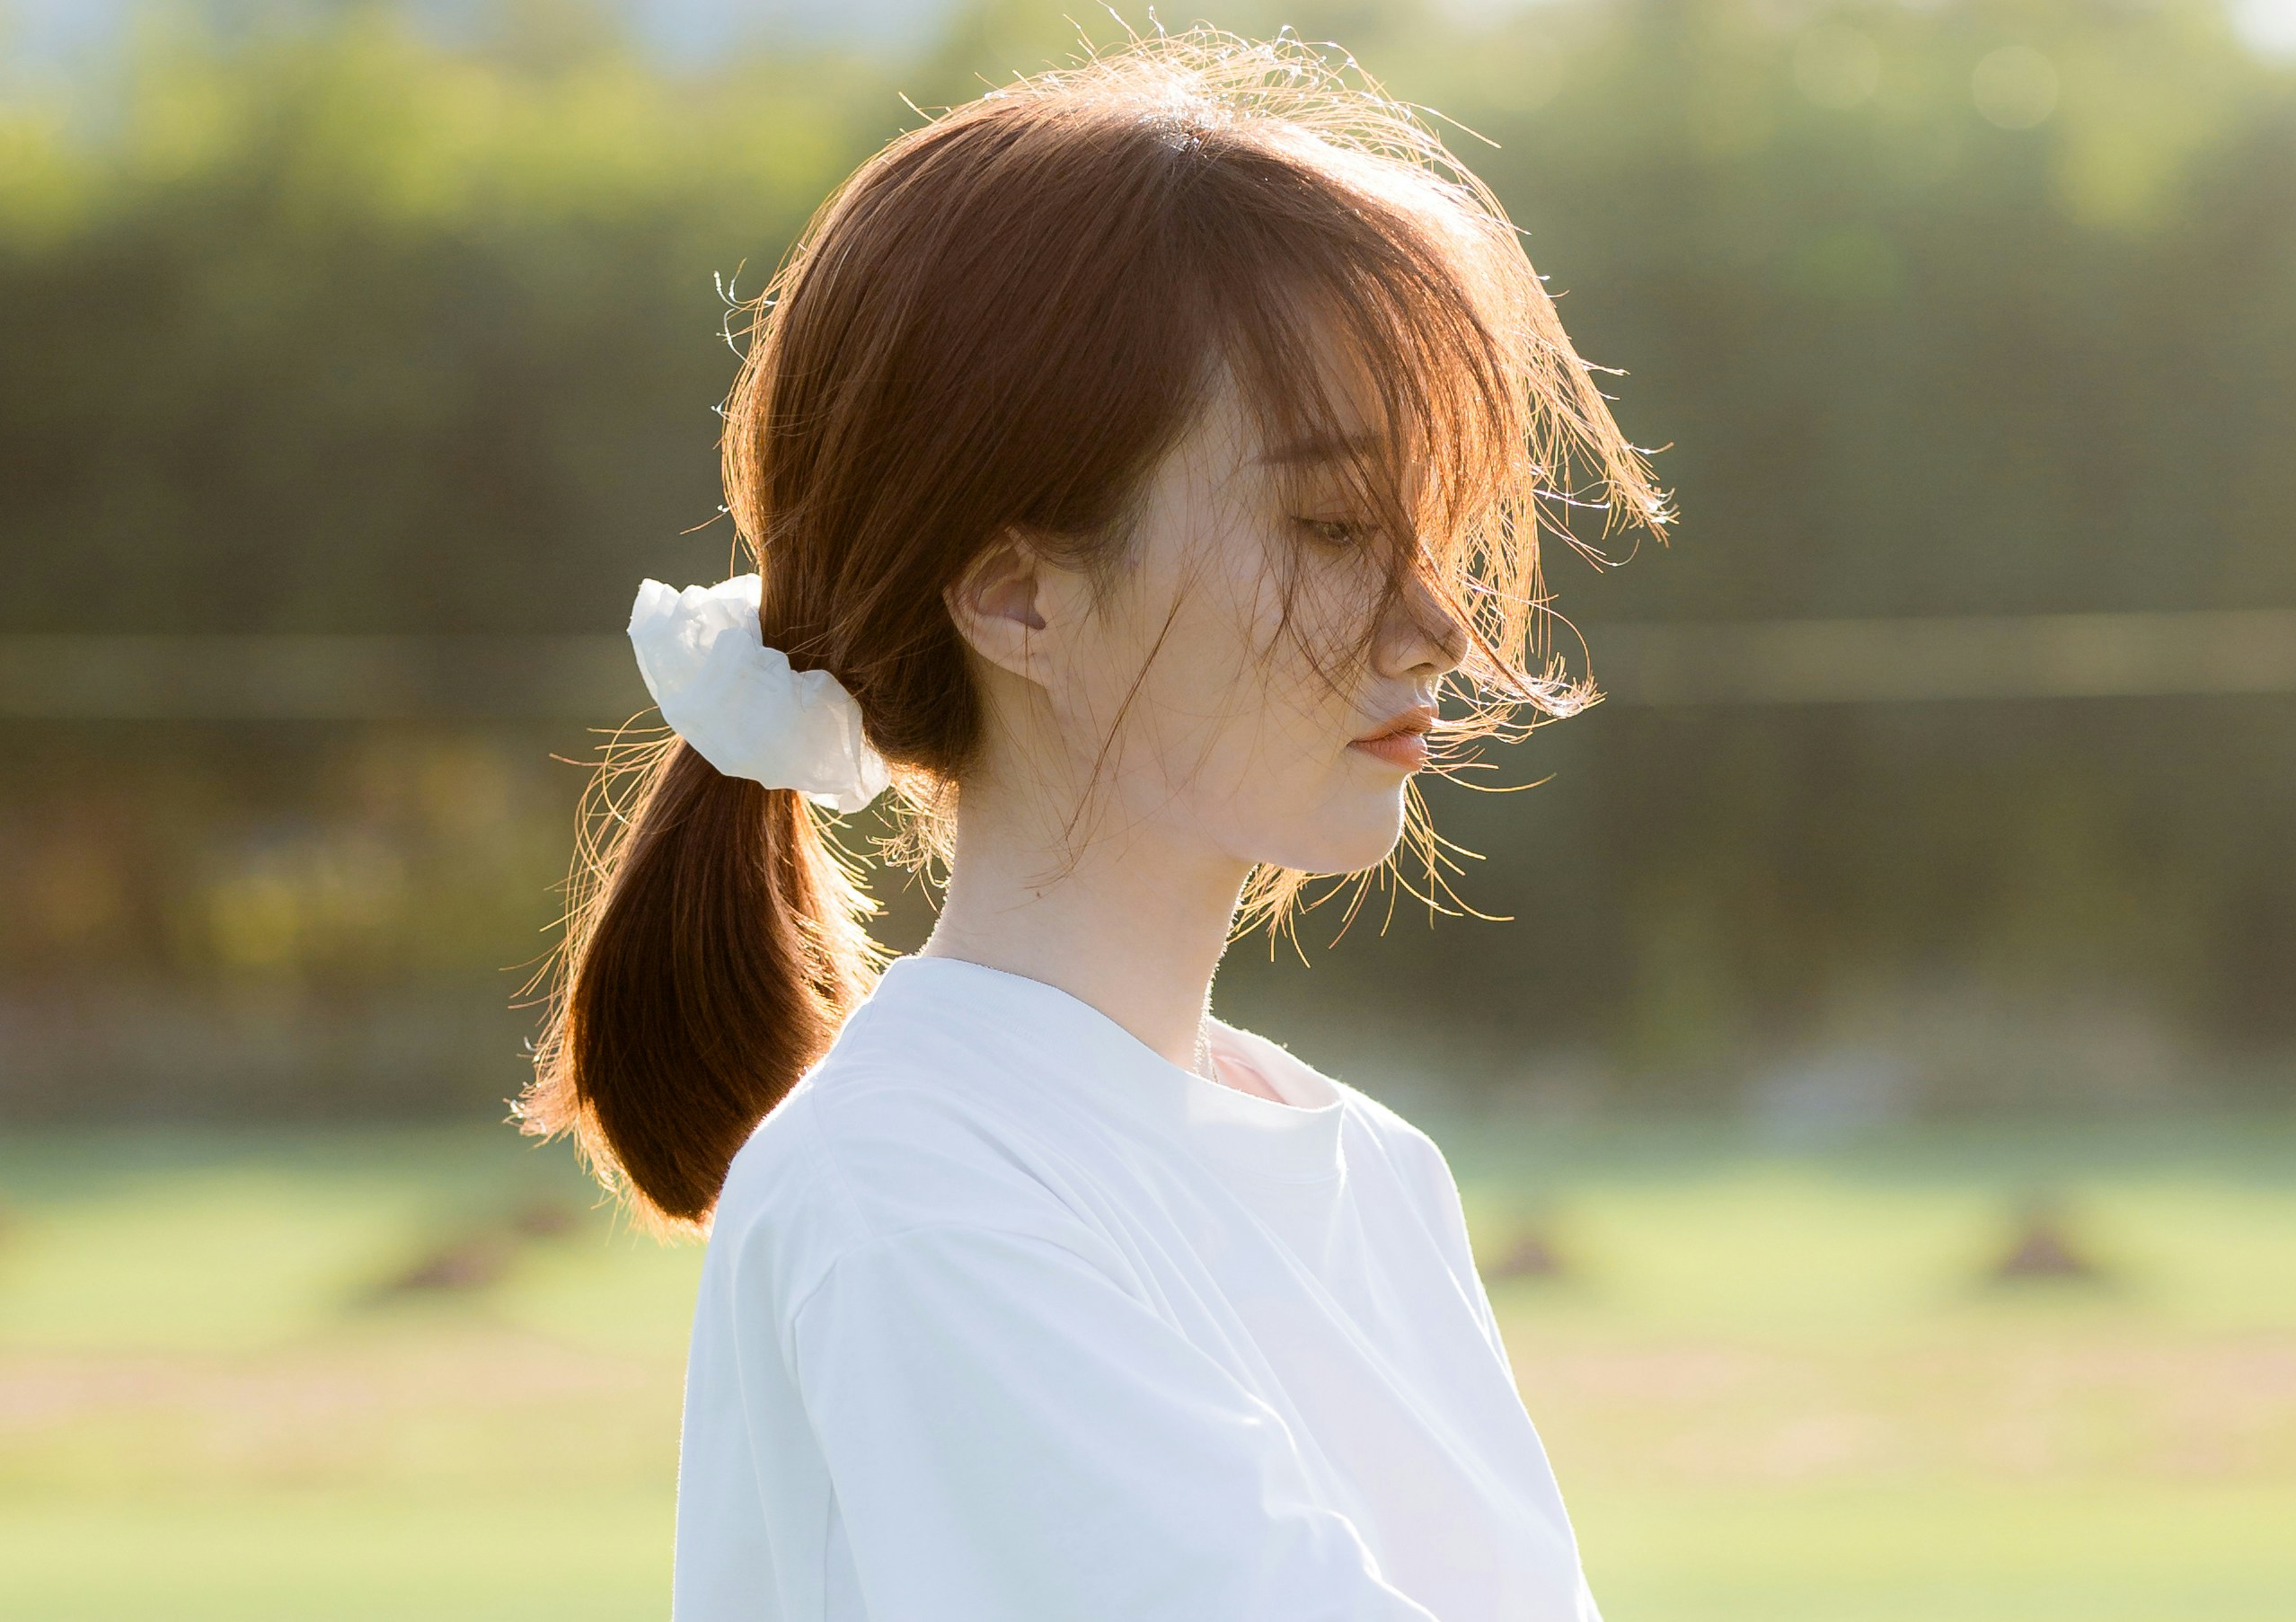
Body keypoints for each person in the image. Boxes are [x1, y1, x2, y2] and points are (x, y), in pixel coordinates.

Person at [517, 26, 1666, 1622]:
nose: (1432, 625)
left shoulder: (1371, 1171)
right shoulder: (911, 1187)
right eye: (1332, 525)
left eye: (1437, 534)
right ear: (1017, 596)